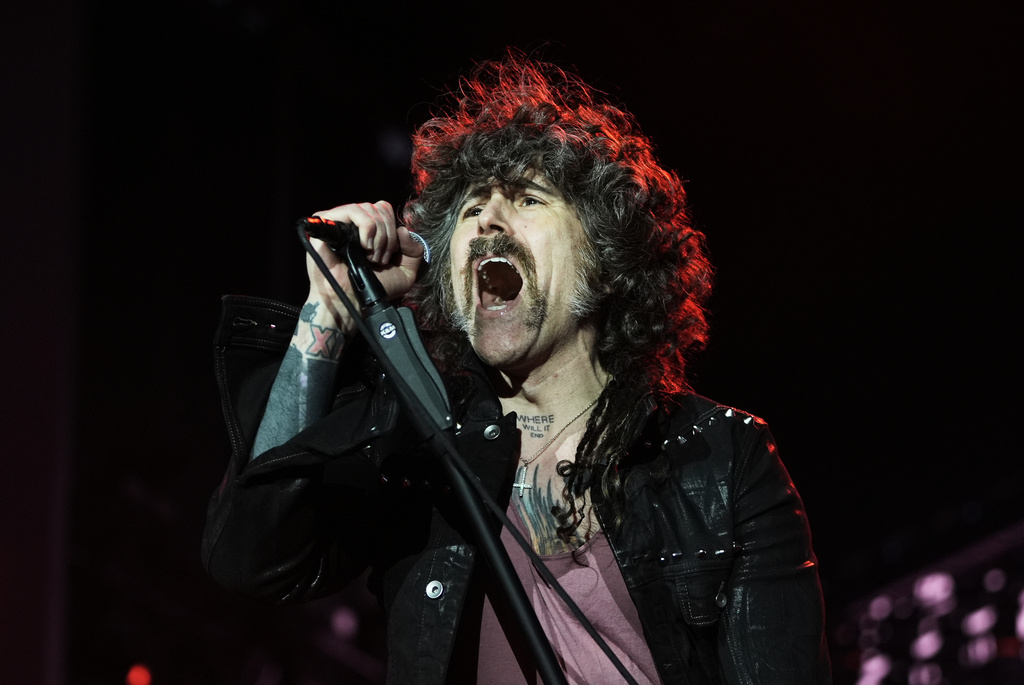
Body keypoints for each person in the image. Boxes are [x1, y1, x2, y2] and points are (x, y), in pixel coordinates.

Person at [203, 53, 832, 684]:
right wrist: (330, 312)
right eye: (472, 208)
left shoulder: (721, 455)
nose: (488, 222)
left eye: (527, 199)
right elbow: (253, 560)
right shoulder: (416, 452)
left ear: (607, 261)